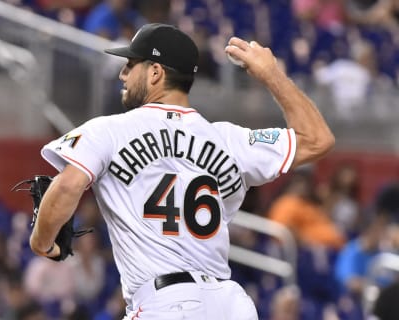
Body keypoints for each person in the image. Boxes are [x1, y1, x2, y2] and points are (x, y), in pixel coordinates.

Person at [29, 23, 335, 319]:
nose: (122, 74)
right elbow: (317, 140)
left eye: (130, 64)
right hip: (230, 306)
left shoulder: (109, 130)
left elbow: (69, 185)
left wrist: (41, 242)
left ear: (155, 72)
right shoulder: (229, 139)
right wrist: (271, 75)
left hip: (166, 303)